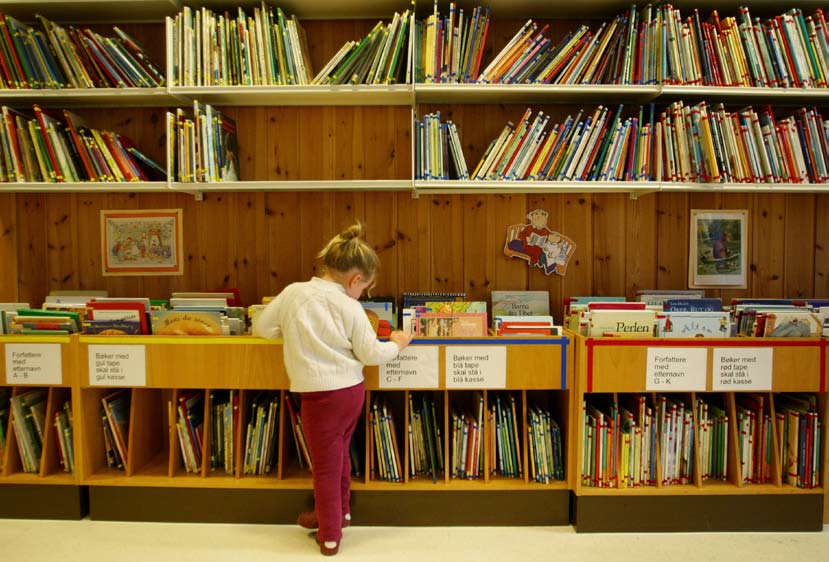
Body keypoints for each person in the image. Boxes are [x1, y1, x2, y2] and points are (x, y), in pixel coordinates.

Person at [253, 223, 413, 556]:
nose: (363, 295)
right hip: (351, 392)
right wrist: (398, 343)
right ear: (355, 279)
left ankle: (329, 536)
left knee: (325, 465)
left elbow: (261, 328)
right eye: (365, 288)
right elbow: (371, 354)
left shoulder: (294, 293)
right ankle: (339, 513)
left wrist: (293, 333)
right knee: (338, 457)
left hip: (318, 397)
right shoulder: (350, 306)